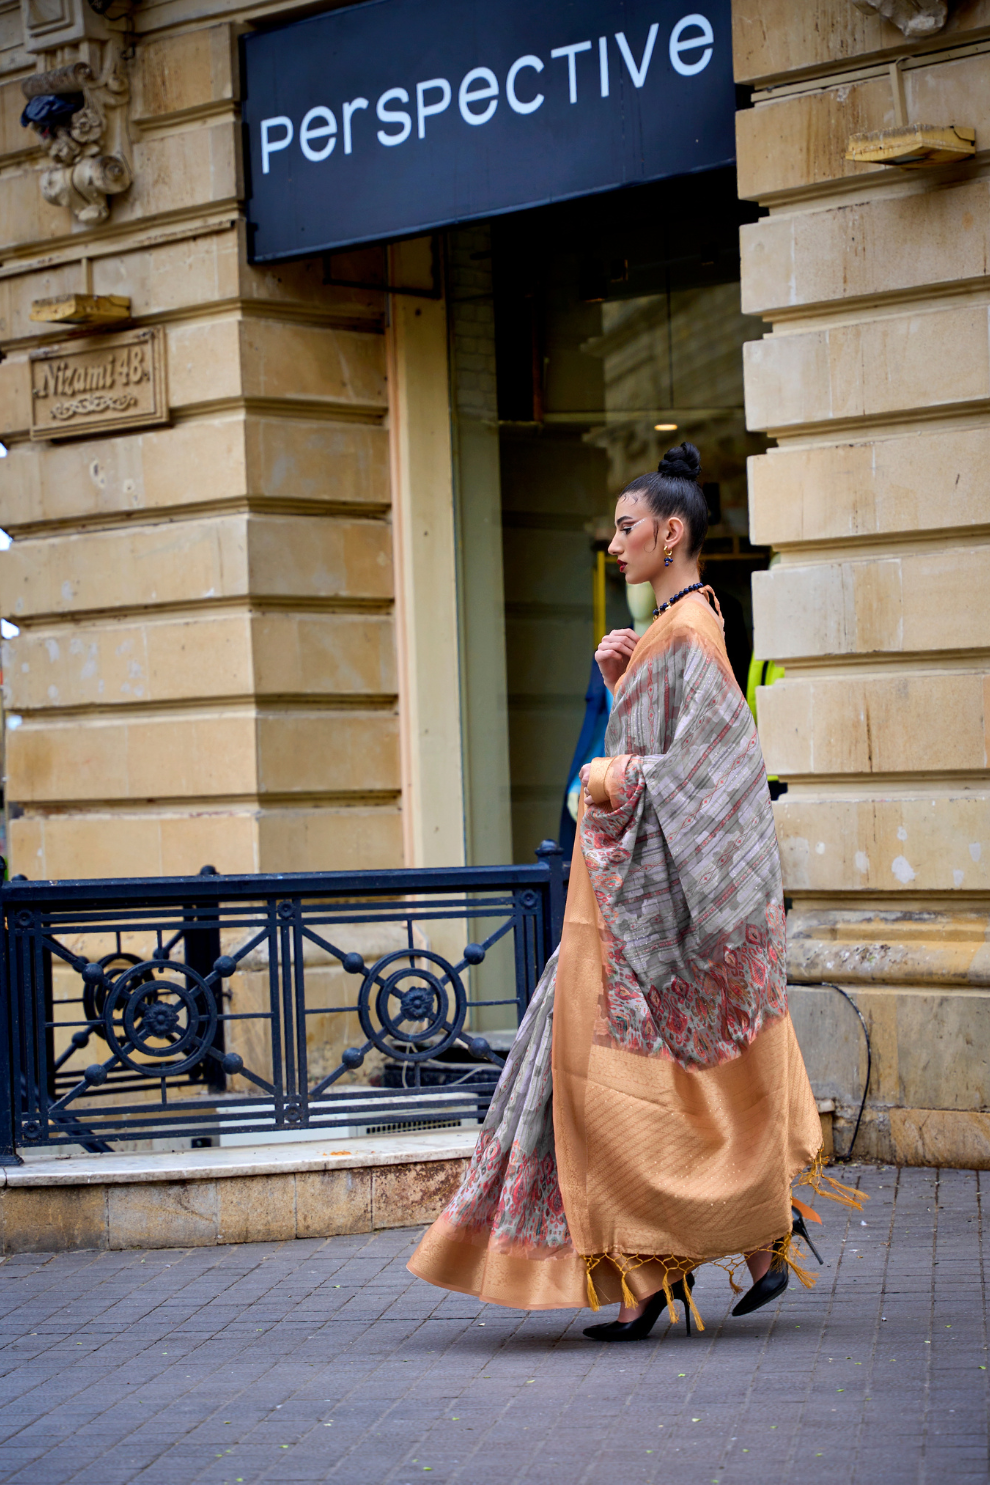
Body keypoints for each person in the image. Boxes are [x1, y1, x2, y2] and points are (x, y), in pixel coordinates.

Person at [408, 442, 862, 1339]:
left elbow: (713, 770)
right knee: (628, 1085)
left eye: (626, 528)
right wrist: (621, 690)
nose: (614, 544)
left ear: (671, 531)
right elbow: (667, 749)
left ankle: (710, 1250)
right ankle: (712, 1253)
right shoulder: (673, 628)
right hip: (613, 902)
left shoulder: (691, 631)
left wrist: (606, 777)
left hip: (626, 912)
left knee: (610, 1087)